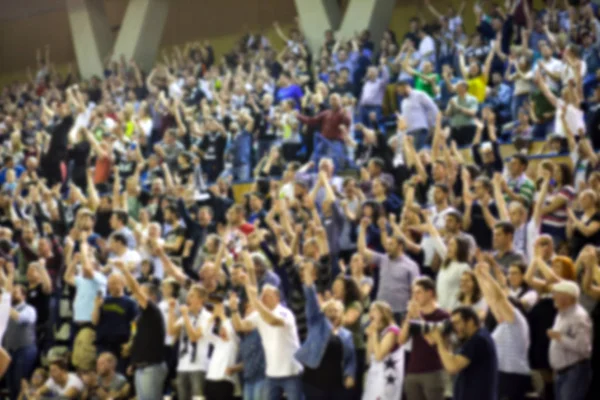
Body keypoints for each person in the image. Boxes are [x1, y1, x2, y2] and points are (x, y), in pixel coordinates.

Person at [231, 279, 303, 400]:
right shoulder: (259, 315)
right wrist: (234, 310)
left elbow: (273, 321)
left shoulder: (285, 312)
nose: (263, 298)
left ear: (277, 298)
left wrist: (255, 301)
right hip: (271, 374)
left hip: (291, 372)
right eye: (262, 295)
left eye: (267, 295)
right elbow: (239, 326)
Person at [295, 263, 356, 399]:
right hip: (314, 382)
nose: (332, 312)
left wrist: (350, 375)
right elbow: (311, 298)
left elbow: (350, 358)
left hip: (336, 384)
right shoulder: (317, 323)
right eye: (329, 310)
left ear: (341, 314)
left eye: (336, 310)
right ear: (323, 313)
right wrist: (308, 278)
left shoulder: (347, 335)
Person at [474, 262, 531, 400]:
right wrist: (479, 277)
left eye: (504, 307)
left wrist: (487, 275)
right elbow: (492, 300)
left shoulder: (516, 319)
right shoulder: (505, 323)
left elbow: (499, 298)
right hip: (501, 374)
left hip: (512, 376)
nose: (498, 309)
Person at [113, 260, 167, 400]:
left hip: (152, 366)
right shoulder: (141, 316)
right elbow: (139, 339)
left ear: (152, 297)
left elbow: (135, 289)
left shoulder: (153, 311)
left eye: (142, 294)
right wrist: (133, 362)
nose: (137, 297)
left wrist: (125, 270)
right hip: (141, 366)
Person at [358, 217, 420, 323]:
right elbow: (362, 250)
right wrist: (363, 229)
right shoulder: (383, 259)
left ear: (400, 246)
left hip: (400, 312)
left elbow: (416, 291)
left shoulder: (411, 265)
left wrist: (412, 312)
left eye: (391, 244)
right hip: (380, 310)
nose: (388, 247)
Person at [430, 305, 498, 400]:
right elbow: (451, 360)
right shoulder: (474, 338)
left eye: (457, 323)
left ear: (470, 321)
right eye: (453, 324)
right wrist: (444, 340)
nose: (454, 328)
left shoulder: (479, 340)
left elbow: (452, 367)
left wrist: (439, 341)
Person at [399, 277, 448, 400]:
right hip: (413, 370)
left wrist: (418, 318)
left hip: (433, 370)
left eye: (418, 292)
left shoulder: (442, 315)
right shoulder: (414, 316)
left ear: (430, 293)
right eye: (413, 293)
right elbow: (401, 340)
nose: (414, 296)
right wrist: (409, 317)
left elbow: (433, 341)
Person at [548, 280, 593, 400]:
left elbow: (584, 348)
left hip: (574, 372)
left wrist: (560, 337)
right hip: (562, 372)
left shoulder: (579, 317)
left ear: (567, 297)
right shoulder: (561, 314)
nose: (553, 297)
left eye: (556, 294)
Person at [362, 301, 405, 400]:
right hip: (375, 376)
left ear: (383, 313)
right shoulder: (379, 331)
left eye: (374, 311)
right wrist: (371, 335)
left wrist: (375, 334)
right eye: (370, 311)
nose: (371, 314)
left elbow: (379, 356)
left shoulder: (393, 331)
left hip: (388, 378)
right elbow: (369, 358)